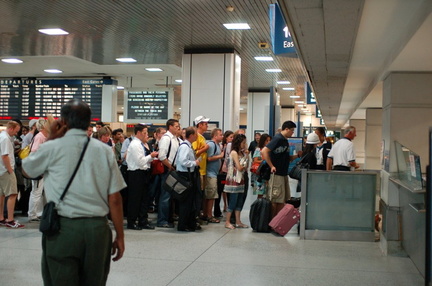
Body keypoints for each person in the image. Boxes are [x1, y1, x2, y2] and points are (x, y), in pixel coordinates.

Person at [22, 99, 126, 285]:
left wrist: (52, 137)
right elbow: (115, 199)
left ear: (63, 121)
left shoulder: (52, 147)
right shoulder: (104, 151)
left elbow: (27, 170)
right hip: (97, 230)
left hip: (63, 230)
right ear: (89, 123)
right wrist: (120, 235)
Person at [261, 121, 301, 218]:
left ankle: (277, 221)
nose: (292, 133)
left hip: (283, 173)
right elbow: (264, 151)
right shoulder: (278, 138)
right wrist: (271, 166)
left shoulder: (284, 140)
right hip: (276, 174)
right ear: (286, 129)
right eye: (291, 131)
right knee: (275, 199)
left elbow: (286, 158)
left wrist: (297, 156)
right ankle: (271, 221)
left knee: (282, 199)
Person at [126, 124, 158, 230]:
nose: (146, 135)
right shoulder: (135, 145)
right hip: (136, 173)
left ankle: (142, 220)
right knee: (135, 199)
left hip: (144, 173)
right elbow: (140, 162)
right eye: (144, 133)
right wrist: (151, 156)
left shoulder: (143, 144)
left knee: (144, 198)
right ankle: (132, 221)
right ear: (138, 133)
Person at [174, 127, 200, 231]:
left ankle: (189, 223)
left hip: (189, 175)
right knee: (185, 202)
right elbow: (183, 161)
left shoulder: (189, 146)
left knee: (189, 202)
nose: (197, 136)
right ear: (191, 135)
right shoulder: (185, 146)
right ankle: (183, 225)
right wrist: (194, 163)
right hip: (185, 175)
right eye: (195, 134)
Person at [0, 121, 25, 228]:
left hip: (1, 170)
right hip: (6, 170)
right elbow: (5, 156)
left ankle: (1, 218)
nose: (16, 134)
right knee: (13, 194)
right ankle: (10, 220)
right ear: (11, 128)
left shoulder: (2, 136)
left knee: (1, 195)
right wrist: (10, 170)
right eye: (15, 131)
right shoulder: (5, 139)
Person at [157, 119, 180, 228]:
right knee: (165, 196)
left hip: (174, 169)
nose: (178, 128)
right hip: (168, 170)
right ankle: (162, 220)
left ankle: (169, 218)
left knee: (171, 196)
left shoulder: (176, 139)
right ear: (170, 127)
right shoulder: (166, 139)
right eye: (176, 126)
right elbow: (162, 156)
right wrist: (170, 167)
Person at [223, 134, 249, 230]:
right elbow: (239, 167)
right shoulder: (234, 152)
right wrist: (242, 166)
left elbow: (246, 166)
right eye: (243, 143)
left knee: (239, 201)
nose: (244, 144)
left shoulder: (242, 153)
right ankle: (227, 221)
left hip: (241, 179)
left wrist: (246, 156)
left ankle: (238, 221)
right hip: (234, 179)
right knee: (233, 202)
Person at [27, 118, 49, 222]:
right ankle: (32, 214)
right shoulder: (39, 137)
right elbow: (34, 153)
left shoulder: (44, 137)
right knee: (36, 192)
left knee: (39, 192)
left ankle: (38, 213)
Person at [192, 115, 210, 221]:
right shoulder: (196, 137)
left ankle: (200, 213)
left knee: (202, 193)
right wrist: (205, 149)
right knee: (198, 194)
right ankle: (197, 215)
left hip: (203, 169)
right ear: (199, 125)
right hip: (199, 169)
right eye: (205, 124)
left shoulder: (202, 137)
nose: (207, 125)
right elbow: (194, 153)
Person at [204, 128, 224, 223]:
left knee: (211, 195)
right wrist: (220, 156)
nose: (222, 136)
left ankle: (207, 214)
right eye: (220, 135)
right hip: (210, 174)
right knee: (210, 195)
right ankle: (208, 215)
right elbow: (208, 158)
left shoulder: (217, 145)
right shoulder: (211, 145)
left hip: (214, 173)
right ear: (215, 136)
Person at [214, 130, 233, 218]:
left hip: (228, 173)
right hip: (222, 173)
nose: (232, 139)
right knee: (220, 191)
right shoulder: (221, 146)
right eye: (230, 137)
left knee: (228, 192)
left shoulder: (232, 147)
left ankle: (228, 208)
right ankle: (217, 211)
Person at [252, 133, 271, 198]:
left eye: (269, 140)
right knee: (260, 192)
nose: (268, 142)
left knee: (268, 192)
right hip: (260, 173)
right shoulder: (258, 149)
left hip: (268, 172)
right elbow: (255, 160)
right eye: (267, 141)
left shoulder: (270, 150)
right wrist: (265, 161)